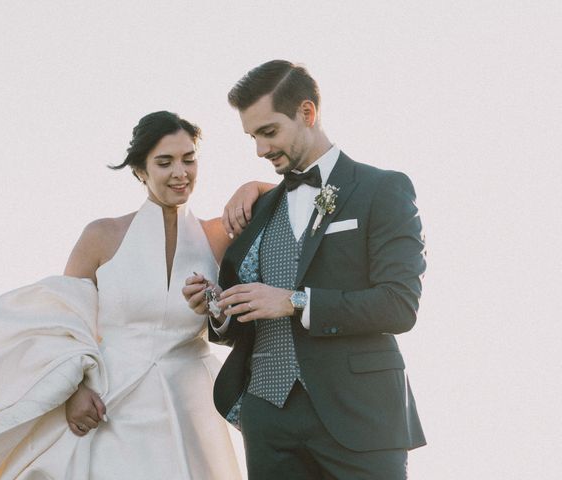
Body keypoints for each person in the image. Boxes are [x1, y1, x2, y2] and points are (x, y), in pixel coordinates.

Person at [0, 111, 270, 479]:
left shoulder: (217, 236)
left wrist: (254, 187)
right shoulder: (102, 236)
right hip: (110, 403)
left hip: (191, 404)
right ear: (140, 171)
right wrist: (73, 391)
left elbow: (292, 201)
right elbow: (62, 320)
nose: (180, 172)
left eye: (189, 159)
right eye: (164, 162)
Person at [183, 60, 427, 479]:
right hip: (267, 420)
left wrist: (295, 302)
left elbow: (399, 305)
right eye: (252, 137)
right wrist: (219, 309)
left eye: (269, 132)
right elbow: (246, 317)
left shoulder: (381, 190)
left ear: (307, 113)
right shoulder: (256, 208)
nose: (260, 150)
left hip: (361, 415)